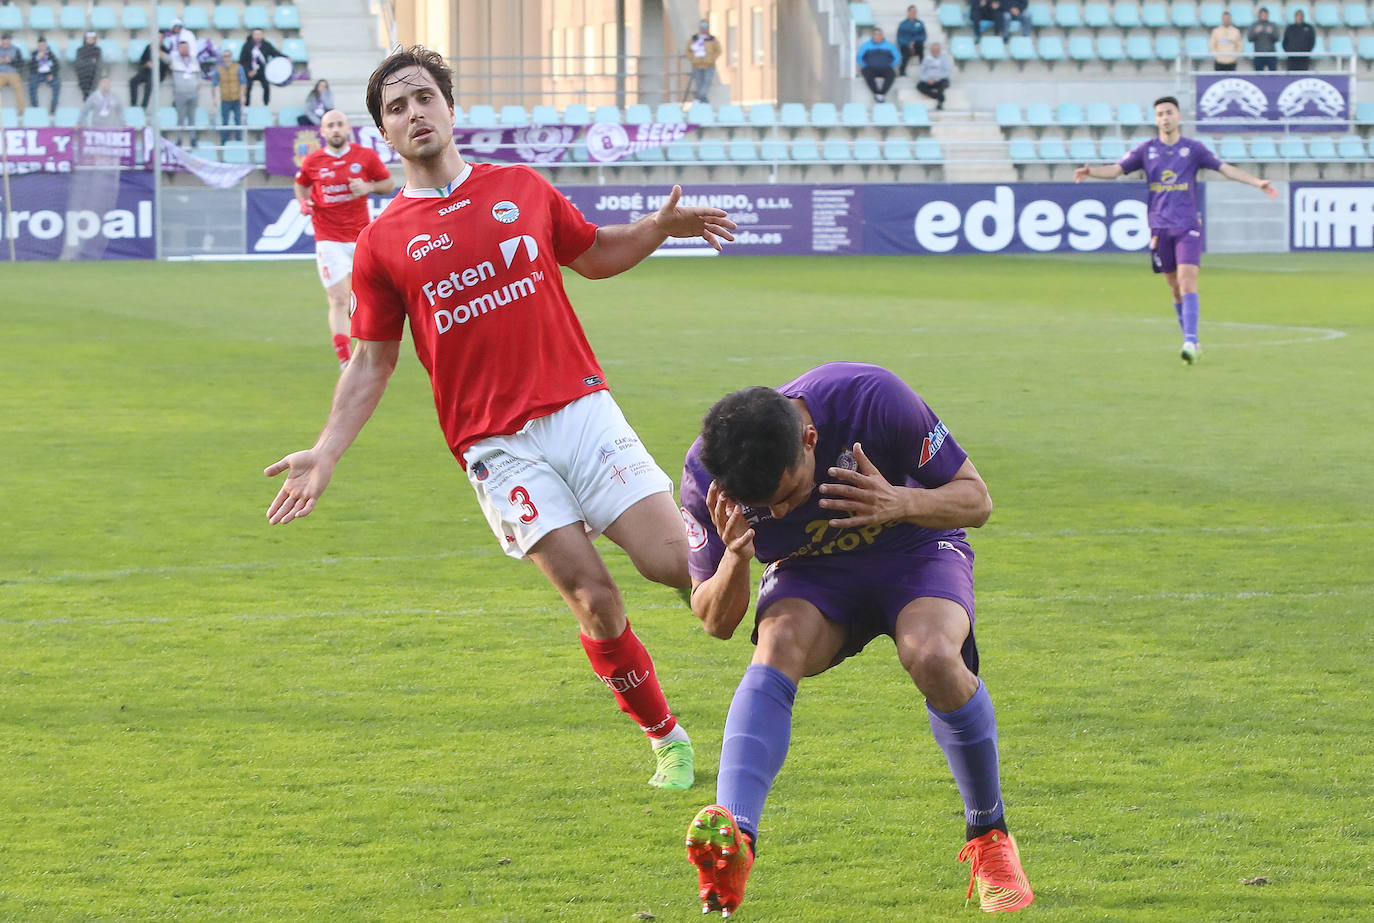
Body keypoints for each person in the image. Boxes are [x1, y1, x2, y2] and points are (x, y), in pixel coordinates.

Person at [264, 46, 737, 793]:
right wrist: (326, 450)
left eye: (423, 97)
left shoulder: (520, 186)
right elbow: (371, 359)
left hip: (582, 411)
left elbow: (595, 254)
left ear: (451, 109)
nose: (413, 112)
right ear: (383, 133)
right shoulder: (383, 242)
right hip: (495, 449)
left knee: (672, 561)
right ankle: (666, 737)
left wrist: (658, 226)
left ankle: (774, 618)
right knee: (594, 597)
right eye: (395, 107)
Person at [679, 362, 1035, 918]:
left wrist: (901, 502)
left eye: (787, 494)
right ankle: (737, 839)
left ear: (810, 438)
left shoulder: (872, 399)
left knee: (933, 654)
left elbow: (976, 500)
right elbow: (715, 621)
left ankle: (990, 838)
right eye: (764, 506)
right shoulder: (710, 474)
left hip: (911, 548)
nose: (777, 513)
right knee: (777, 644)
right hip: (814, 570)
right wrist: (735, 558)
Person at [1074, 96, 1277, 364]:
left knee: (1187, 281)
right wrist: (1092, 172)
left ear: (1179, 116)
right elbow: (1116, 170)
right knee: (1174, 288)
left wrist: (1257, 182)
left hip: (1187, 226)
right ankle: (1192, 340)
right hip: (1159, 228)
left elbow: (1225, 169)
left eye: (1169, 113)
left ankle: (1190, 341)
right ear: (1156, 119)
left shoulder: (1193, 149)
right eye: (1159, 114)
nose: (1165, 118)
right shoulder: (1146, 150)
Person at [292, 109, 395, 367]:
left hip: (361, 238)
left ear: (348, 128)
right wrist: (303, 202)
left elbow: (388, 183)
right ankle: (344, 359)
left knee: (362, 298)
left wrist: (368, 187)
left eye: (340, 124)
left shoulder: (365, 157)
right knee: (339, 297)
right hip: (328, 238)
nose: (336, 129)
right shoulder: (313, 161)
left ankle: (366, 348)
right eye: (330, 126)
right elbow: (301, 184)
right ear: (323, 132)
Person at [166, 39, 202, 146]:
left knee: (192, 117)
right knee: (180, 117)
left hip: (193, 92)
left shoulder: (194, 60)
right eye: (182, 47)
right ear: (178, 49)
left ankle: (193, 139)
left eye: (186, 47)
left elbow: (198, 74)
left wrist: (198, 84)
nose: (185, 49)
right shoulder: (174, 59)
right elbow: (164, 59)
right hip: (180, 93)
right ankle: (179, 139)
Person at [856, 27, 900, 103]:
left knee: (892, 74)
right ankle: (876, 93)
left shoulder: (889, 45)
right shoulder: (866, 45)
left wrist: (891, 65)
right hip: (870, 68)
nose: (877, 36)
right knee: (866, 73)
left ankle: (881, 93)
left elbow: (897, 57)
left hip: (885, 68)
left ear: (882, 36)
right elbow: (859, 57)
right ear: (872, 36)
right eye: (876, 34)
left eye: (879, 34)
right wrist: (865, 65)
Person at [211, 48, 244, 143]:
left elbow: (243, 83)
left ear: (232, 57)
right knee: (225, 121)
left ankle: (239, 140)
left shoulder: (238, 67)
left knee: (238, 120)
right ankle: (224, 141)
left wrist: (243, 96)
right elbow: (214, 84)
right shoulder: (219, 69)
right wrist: (214, 98)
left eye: (229, 56)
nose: (227, 58)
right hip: (225, 99)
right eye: (225, 56)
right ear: (223, 58)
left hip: (236, 98)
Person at [240, 28, 280, 105]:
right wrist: (248, 71)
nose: (258, 36)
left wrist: (285, 57)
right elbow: (242, 61)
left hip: (262, 71)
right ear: (252, 35)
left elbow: (275, 53)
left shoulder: (266, 45)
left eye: (259, 34)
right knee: (248, 87)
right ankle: (246, 106)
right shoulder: (247, 46)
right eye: (256, 34)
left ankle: (266, 104)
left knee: (266, 86)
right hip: (250, 71)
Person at [684, 19, 721, 104]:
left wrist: (711, 59)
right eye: (702, 26)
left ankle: (698, 98)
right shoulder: (694, 39)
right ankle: (703, 100)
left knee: (707, 82)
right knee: (699, 83)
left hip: (709, 65)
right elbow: (688, 50)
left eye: (705, 26)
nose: (704, 28)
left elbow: (718, 50)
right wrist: (692, 59)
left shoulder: (712, 39)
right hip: (697, 65)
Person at [28, 37, 60, 115]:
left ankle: (53, 107)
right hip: (37, 74)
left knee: (57, 83)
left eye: (43, 46)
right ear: (38, 46)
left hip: (48, 75)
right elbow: (30, 67)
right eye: (40, 46)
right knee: (31, 82)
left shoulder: (50, 54)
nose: (42, 47)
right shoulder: (34, 54)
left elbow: (57, 65)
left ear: (46, 45)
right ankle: (35, 107)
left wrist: (52, 74)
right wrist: (37, 58)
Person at [916, 41, 952, 111]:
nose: (935, 51)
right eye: (933, 50)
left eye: (936, 50)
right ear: (931, 51)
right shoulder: (926, 59)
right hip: (929, 80)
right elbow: (921, 72)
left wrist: (935, 79)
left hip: (940, 80)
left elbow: (947, 72)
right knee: (919, 86)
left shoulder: (944, 59)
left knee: (942, 85)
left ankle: (940, 103)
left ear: (939, 50)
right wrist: (927, 79)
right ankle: (937, 96)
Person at [896, 5, 927, 76]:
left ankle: (924, 70)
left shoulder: (920, 24)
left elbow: (924, 36)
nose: (914, 13)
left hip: (916, 45)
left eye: (915, 12)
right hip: (906, 46)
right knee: (905, 52)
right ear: (908, 12)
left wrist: (914, 42)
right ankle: (902, 70)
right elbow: (899, 38)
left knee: (920, 47)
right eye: (912, 11)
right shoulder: (903, 24)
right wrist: (908, 44)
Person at [1248, 7, 1280, 71]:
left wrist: (1271, 33)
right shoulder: (1254, 25)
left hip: (1271, 54)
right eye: (1262, 14)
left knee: (1273, 75)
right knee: (1258, 75)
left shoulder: (1272, 25)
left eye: (1265, 14)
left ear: (1267, 15)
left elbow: (1277, 38)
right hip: (1258, 54)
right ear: (1259, 15)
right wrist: (1256, 32)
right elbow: (1249, 38)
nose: (1263, 16)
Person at [75, 32, 103, 100]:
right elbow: (79, 63)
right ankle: (87, 94)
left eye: (92, 38)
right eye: (89, 38)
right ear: (85, 39)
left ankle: (89, 93)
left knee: (95, 70)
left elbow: (98, 63)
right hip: (83, 72)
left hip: (94, 72)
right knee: (85, 69)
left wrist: (87, 62)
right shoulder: (80, 50)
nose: (90, 39)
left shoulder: (97, 50)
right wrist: (91, 61)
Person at [0, 33, 23, 109]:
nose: (5, 44)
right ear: (1, 42)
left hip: (13, 74)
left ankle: (21, 111)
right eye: (4, 43)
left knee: (19, 89)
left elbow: (20, 64)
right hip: (1, 74)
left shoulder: (16, 50)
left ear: (10, 41)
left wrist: (10, 61)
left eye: (7, 43)